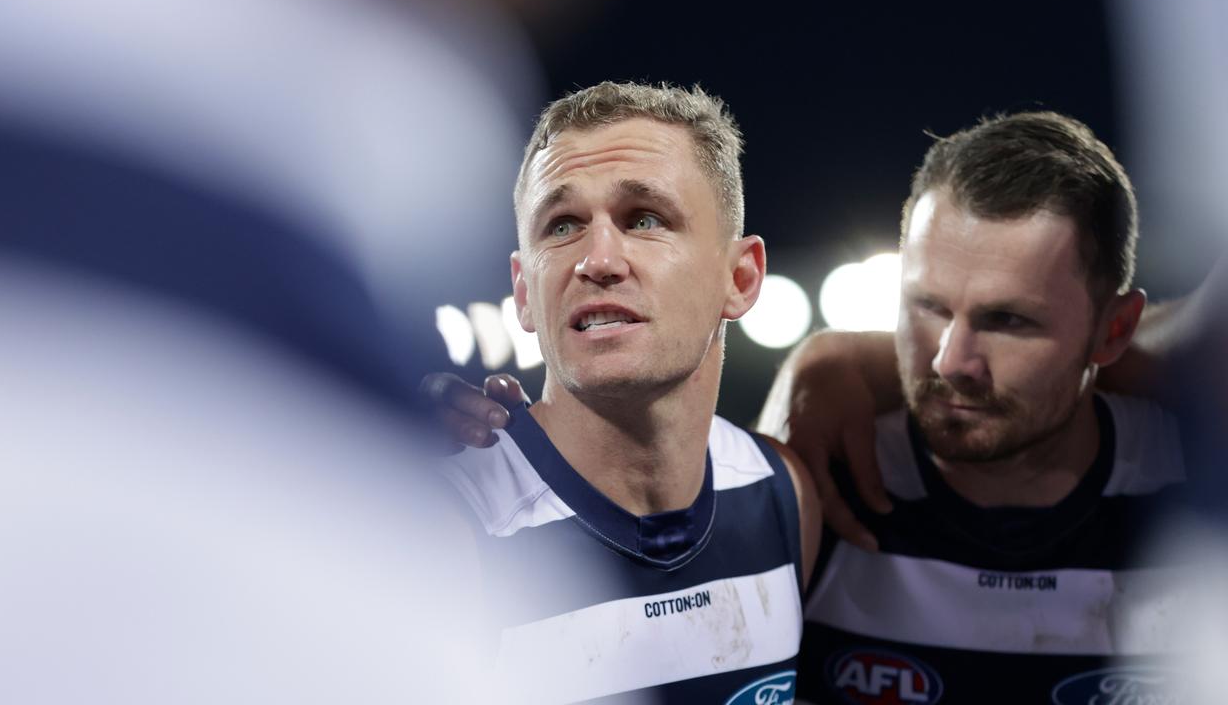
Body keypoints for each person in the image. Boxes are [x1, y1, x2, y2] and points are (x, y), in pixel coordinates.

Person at [433, 111, 1210, 704]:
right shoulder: (815, 489)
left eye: (1010, 321)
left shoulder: (1198, 490)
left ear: (1114, 329)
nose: (950, 361)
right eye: (927, 308)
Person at [432, 81, 822, 705]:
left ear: (741, 277)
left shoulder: (785, 495)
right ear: (524, 293)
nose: (599, 260)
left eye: (645, 219)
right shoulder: (441, 530)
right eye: (562, 226)